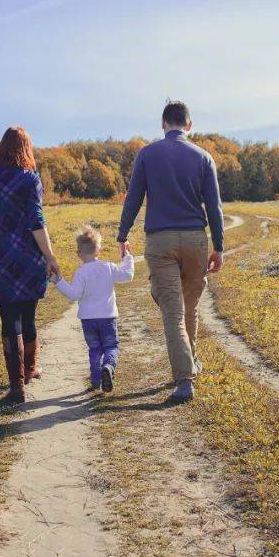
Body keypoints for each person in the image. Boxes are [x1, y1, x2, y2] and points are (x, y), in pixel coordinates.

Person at [117, 101, 224, 403]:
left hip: (160, 241)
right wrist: (219, 246)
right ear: (189, 125)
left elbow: (133, 198)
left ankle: (185, 378)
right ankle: (191, 363)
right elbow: (214, 207)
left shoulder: (147, 154)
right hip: (195, 241)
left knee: (174, 313)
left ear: (163, 124)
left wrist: (122, 235)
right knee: (188, 308)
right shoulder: (204, 157)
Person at [0, 127, 62, 404]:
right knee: (28, 315)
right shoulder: (29, 179)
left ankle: (17, 386)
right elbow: (36, 221)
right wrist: (50, 256)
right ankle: (30, 369)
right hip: (27, 257)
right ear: (26, 149)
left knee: (9, 319)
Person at [51, 225, 135, 393]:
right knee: (111, 347)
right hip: (108, 318)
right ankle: (108, 367)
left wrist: (58, 281)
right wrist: (128, 257)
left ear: (78, 254)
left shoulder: (81, 272)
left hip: (88, 320)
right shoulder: (109, 267)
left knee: (95, 349)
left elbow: (74, 295)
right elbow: (128, 275)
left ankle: (96, 379)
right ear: (99, 251)